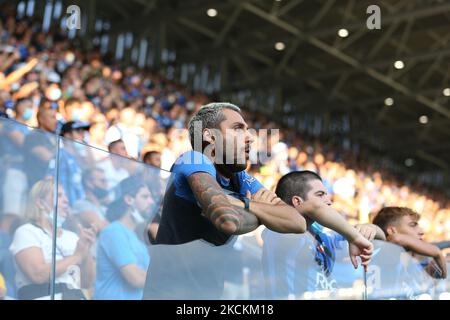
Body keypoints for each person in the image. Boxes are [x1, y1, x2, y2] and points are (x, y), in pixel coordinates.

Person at [143, 103, 372, 299]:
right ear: (210, 135)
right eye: (238, 129)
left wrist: (245, 204)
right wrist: (265, 215)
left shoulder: (240, 179)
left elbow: (296, 222)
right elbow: (228, 221)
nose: (250, 137)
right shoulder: (193, 160)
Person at [262, 170, 381, 298]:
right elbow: (316, 208)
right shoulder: (279, 232)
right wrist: (354, 235)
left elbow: (382, 237)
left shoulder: (323, 237)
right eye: (320, 195)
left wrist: (369, 228)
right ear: (297, 201)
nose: (329, 202)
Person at [9, 178, 96, 299]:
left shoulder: (72, 237)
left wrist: (86, 250)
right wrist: (77, 256)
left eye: (65, 195)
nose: (66, 200)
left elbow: (86, 283)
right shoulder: (27, 231)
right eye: (59, 196)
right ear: (40, 203)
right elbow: (37, 274)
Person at [94, 177, 151, 300]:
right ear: (129, 199)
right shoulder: (113, 232)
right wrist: (167, 278)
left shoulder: (137, 238)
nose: (151, 202)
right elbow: (136, 278)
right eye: (145, 197)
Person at [372, 206, 447, 279]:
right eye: (412, 225)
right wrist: (436, 252)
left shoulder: (415, 257)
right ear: (392, 231)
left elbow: (440, 276)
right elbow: (395, 238)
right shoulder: (386, 253)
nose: (421, 232)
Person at [22, 100, 58, 188]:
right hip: (38, 185)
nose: (56, 120)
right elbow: (47, 157)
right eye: (52, 117)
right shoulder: (33, 136)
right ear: (41, 119)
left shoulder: (55, 137)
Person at [72, 167, 111, 231]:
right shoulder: (81, 205)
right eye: (102, 181)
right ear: (89, 183)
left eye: (106, 181)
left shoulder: (104, 207)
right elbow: (103, 229)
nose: (106, 185)